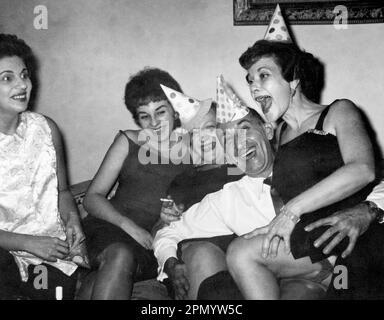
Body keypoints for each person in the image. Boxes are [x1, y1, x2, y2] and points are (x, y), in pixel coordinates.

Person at [226, 5, 379, 299]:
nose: (254, 88)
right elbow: (254, 176)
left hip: (349, 236)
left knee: (241, 253)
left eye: (263, 75)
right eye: (250, 80)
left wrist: (290, 212)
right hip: (310, 246)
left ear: (293, 80)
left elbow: (363, 169)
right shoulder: (280, 133)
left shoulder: (338, 112)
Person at [81, 68, 189, 300]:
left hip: (152, 244)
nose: (154, 122)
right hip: (109, 228)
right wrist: (129, 226)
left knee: (97, 284)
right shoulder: (128, 140)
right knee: (120, 254)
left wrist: (178, 211)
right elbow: (92, 197)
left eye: (161, 112)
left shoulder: (195, 150)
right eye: (144, 116)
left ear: (175, 110)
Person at [0, 34, 85, 300]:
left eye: (24, 74)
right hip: (6, 255)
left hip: (54, 255)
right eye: (7, 78)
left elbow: (62, 193)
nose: (22, 84)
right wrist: (28, 243)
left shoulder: (47, 129)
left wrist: (73, 221)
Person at [153, 84, 245, 299]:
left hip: (243, 249)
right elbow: (160, 231)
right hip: (197, 254)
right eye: (195, 132)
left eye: (210, 127)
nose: (204, 137)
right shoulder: (182, 181)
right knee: (203, 256)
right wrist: (163, 219)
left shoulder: (245, 167)